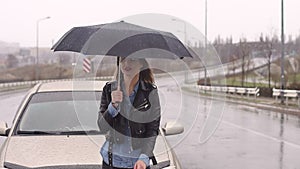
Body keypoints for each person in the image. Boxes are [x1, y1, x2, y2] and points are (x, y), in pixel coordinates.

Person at [98, 57, 161, 169]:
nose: (126, 63)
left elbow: (152, 129)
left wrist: (144, 156)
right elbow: (102, 126)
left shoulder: (150, 92)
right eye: (123, 60)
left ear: (141, 64)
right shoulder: (109, 89)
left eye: (132, 59)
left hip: (138, 163)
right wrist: (113, 106)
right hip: (112, 162)